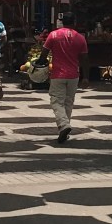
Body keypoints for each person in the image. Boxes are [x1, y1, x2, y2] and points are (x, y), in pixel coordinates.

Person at [43, 13, 89, 144]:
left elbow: (44, 53)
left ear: (62, 22)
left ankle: (64, 125)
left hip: (58, 74)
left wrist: (41, 64)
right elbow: (85, 59)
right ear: (74, 22)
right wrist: (86, 77)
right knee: (69, 102)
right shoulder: (80, 38)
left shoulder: (54, 35)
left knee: (57, 101)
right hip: (74, 75)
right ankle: (65, 127)